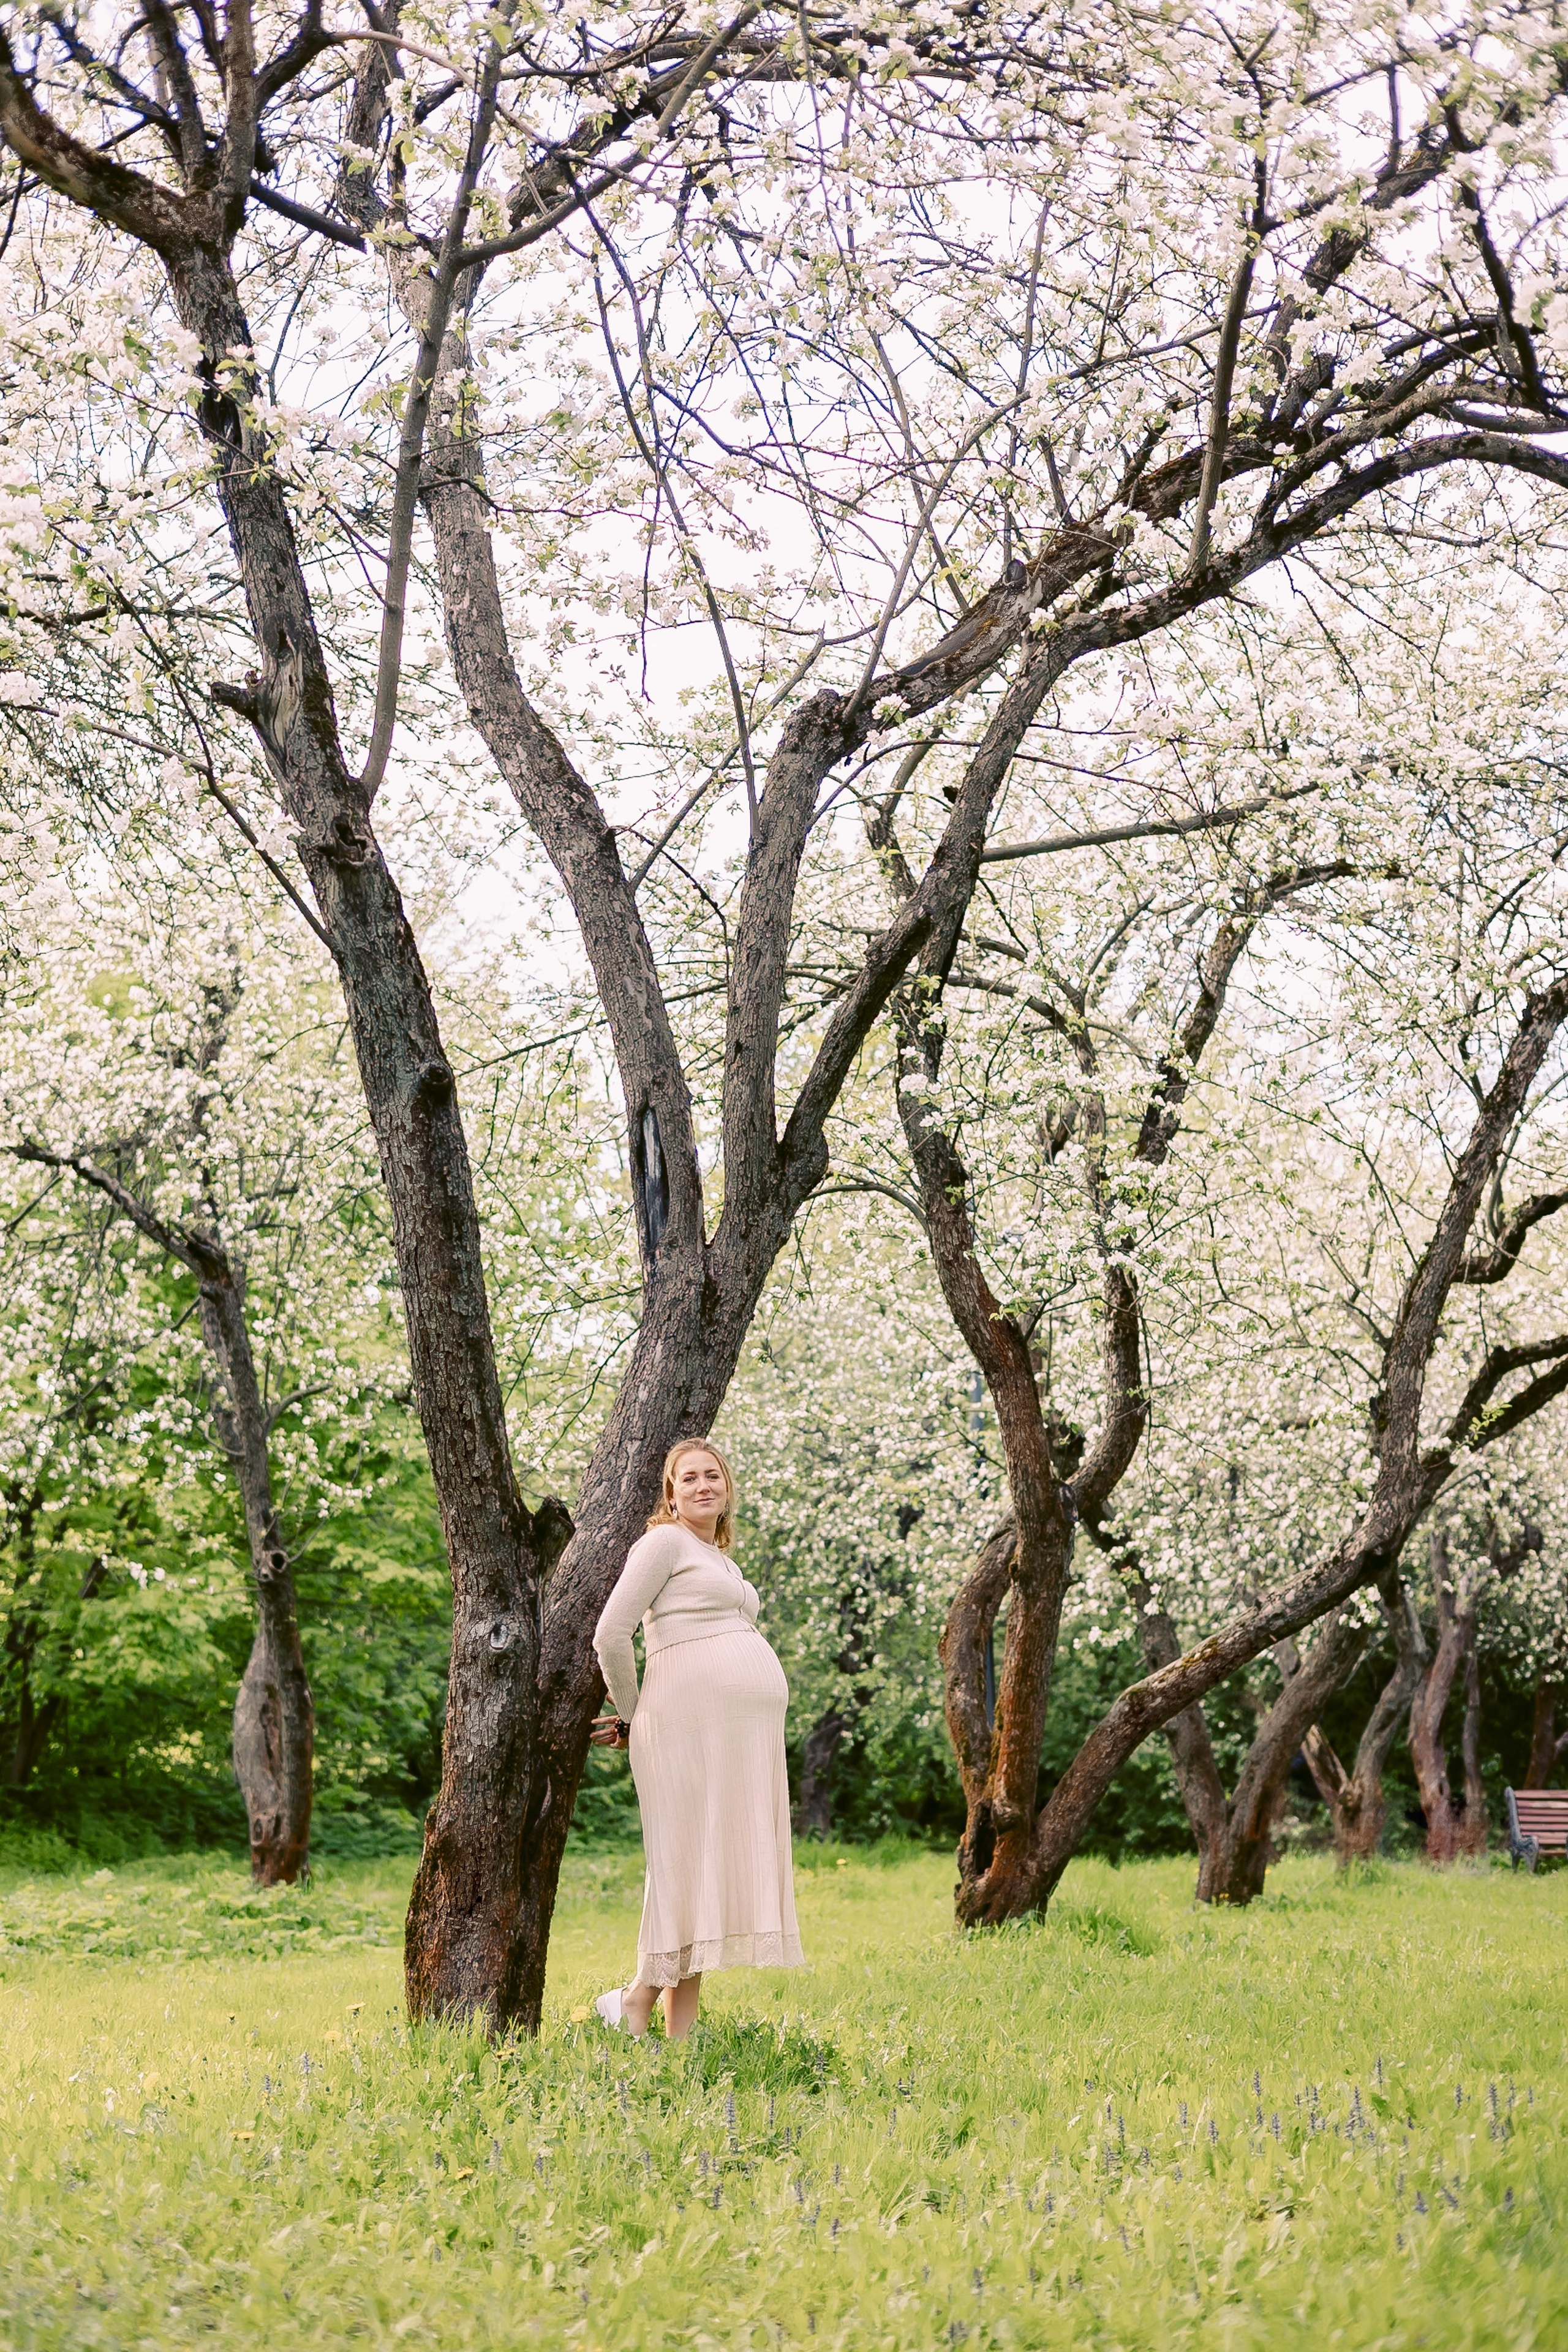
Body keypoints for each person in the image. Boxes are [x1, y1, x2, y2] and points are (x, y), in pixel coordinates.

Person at [589, 1439, 803, 2039]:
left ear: (727, 1488)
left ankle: (682, 2036)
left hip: (731, 1739)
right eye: (689, 1478)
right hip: (681, 1729)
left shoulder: (721, 1560)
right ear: (671, 1493)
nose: (703, 1485)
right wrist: (636, 1714)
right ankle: (635, 2000)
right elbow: (611, 1634)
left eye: (713, 1476)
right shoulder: (663, 1543)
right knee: (684, 1866)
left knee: (707, 1871)